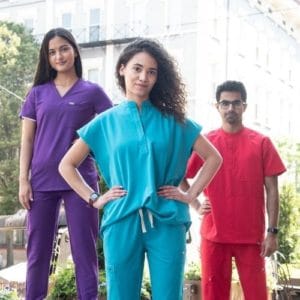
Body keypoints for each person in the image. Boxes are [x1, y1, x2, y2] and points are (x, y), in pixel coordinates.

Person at [59, 38, 222, 300]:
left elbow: (214, 158)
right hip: (121, 219)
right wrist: (94, 198)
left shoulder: (175, 120)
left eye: (151, 72)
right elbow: (66, 165)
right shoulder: (105, 122)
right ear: (122, 69)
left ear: (158, 77)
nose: (143, 77)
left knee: (169, 296)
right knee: (121, 295)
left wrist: (190, 196)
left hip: (167, 220)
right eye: (137, 68)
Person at [18, 28, 112, 300]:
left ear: (74, 50)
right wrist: (23, 180)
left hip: (80, 182)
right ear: (46, 58)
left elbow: (112, 131)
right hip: (41, 183)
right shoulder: (37, 94)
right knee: (37, 252)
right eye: (52, 52)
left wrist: (91, 146)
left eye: (63, 48)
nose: (58, 55)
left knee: (84, 252)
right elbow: (27, 141)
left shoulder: (93, 92)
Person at [183, 80, 286, 300]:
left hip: (251, 237)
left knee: (257, 296)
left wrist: (273, 232)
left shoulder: (262, 142)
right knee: (213, 296)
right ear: (217, 107)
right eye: (225, 103)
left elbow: (272, 191)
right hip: (214, 235)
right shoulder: (207, 142)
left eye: (236, 103)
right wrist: (196, 203)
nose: (231, 108)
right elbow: (180, 177)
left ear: (244, 106)